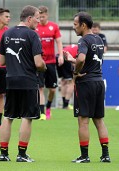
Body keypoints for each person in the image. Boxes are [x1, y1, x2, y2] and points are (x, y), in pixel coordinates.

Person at [0, 5, 46, 162]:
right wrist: (44, 67)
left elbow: (1, 60)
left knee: (8, 116)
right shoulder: (32, 35)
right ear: (29, 18)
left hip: (11, 79)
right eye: (37, 18)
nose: (39, 22)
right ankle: (22, 154)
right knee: (27, 117)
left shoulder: (7, 33)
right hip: (28, 80)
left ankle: (3, 154)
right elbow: (38, 63)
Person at [65, 11, 111, 163]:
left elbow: (83, 59)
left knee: (83, 121)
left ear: (83, 25)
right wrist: (74, 60)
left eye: (75, 24)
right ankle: (105, 155)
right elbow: (91, 60)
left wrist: (76, 72)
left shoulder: (83, 41)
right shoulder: (98, 39)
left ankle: (84, 156)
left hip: (86, 84)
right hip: (98, 81)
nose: (74, 27)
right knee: (99, 120)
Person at [35, 6, 64, 120]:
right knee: (40, 88)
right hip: (39, 62)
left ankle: (48, 107)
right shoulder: (35, 27)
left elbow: (59, 41)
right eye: (39, 16)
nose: (41, 19)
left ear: (47, 15)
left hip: (51, 62)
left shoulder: (54, 27)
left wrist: (61, 55)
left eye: (43, 16)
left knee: (52, 89)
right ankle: (42, 112)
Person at [56, 44, 78, 109]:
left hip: (58, 56)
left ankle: (64, 104)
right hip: (65, 58)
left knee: (63, 81)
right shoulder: (81, 50)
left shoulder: (73, 46)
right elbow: (76, 62)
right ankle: (66, 104)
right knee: (71, 82)